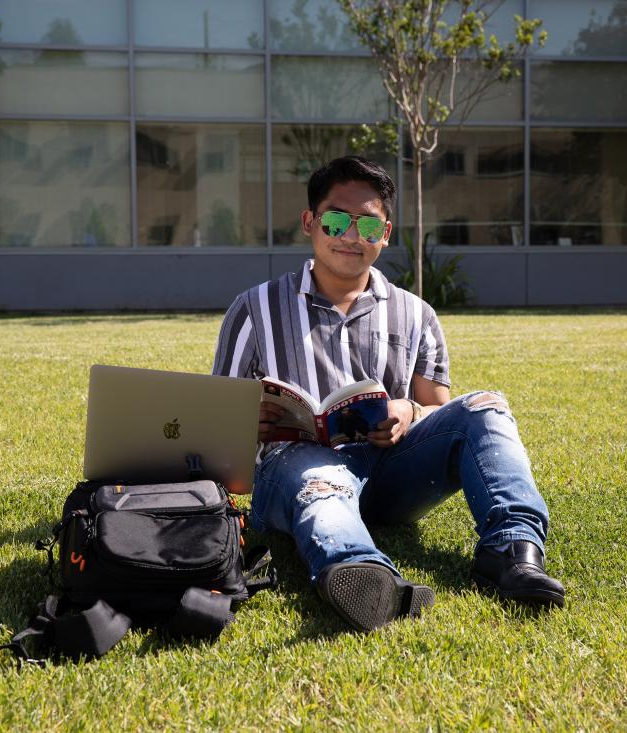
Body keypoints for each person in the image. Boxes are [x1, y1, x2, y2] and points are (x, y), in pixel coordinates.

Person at [212, 156, 564, 631]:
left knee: (485, 407)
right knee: (313, 467)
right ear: (309, 223)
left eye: (368, 226)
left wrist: (409, 409)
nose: (351, 237)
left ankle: (512, 551)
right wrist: (247, 425)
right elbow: (217, 423)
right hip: (293, 472)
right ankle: (363, 572)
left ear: (386, 232)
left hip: (389, 475)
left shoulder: (416, 313)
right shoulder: (254, 309)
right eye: (336, 221)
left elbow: (440, 411)